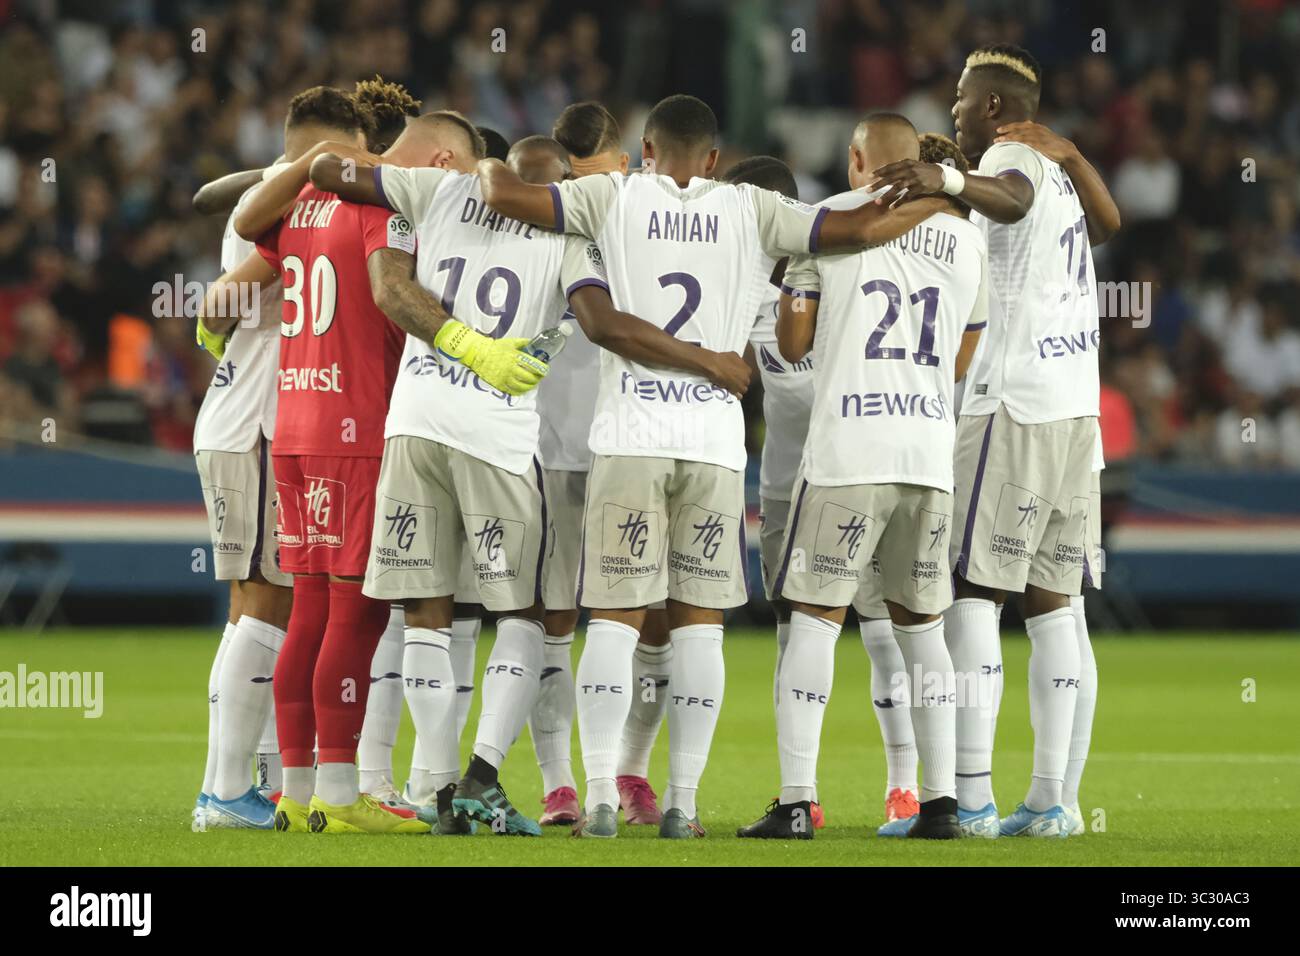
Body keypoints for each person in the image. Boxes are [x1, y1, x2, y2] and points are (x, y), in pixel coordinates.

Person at [477, 93, 948, 838]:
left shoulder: (613, 194)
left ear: (648, 151)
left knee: (614, 619)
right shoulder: (751, 207)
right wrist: (941, 197)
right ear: (715, 160)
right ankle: (682, 804)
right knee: (698, 631)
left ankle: (597, 790)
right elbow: (857, 227)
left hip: (629, 436)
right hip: (712, 448)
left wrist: (465, 160)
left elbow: (504, 191)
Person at [308, 123, 750, 835]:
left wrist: (349, 166)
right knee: (521, 615)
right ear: (555, 187)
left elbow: (333, 172)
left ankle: (440, 785)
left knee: (427, 610)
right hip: (500, 438)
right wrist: (707, 359)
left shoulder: (441, 192)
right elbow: (601, 321)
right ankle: (485, 775)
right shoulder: (569, 238)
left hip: (414, 423)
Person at [870, 44, 1120, 837]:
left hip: (1011, 406)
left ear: (991, 109)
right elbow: (1109, 225)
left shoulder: (1015, 156)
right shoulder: (1062, 172)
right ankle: (1056, 799)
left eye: (957, 107)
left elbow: (1006, 197)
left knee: (972, 594)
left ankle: (970, 796)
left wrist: (943, 179)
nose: (951, 118)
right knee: (1057, 607)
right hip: (1077, 411)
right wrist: (1075, 154)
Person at [738, 113, 987, 840]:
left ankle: (795, 801)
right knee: (922, 629)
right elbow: (963, 359)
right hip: (926, 454)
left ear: (856, 159)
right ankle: (939, 803)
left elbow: (793, 341)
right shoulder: (969, 239)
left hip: (849, 447)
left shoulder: (831, 219)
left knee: (814, 620)